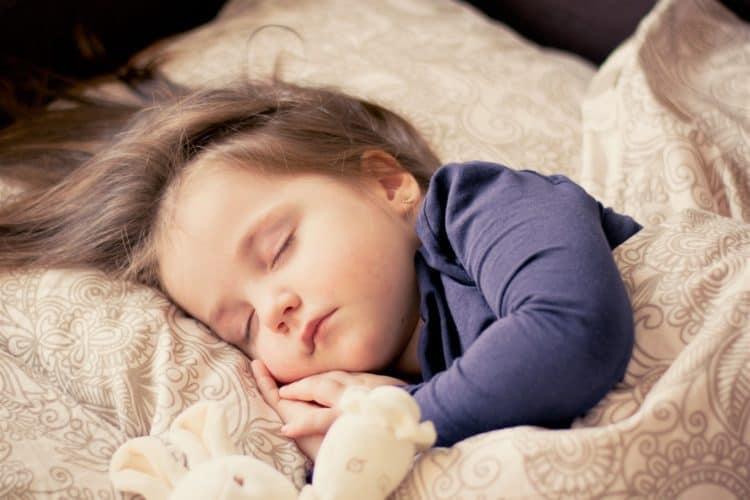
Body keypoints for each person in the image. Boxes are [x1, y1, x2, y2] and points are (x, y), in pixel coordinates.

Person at [0, 78, 640, 460]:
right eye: (244, 325)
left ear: (388, 185)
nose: (273, 309)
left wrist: (398, 421)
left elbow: (571, 332)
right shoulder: (375, 387)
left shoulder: (483, 205)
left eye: (278, 248)